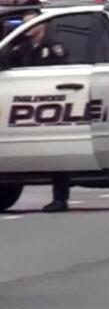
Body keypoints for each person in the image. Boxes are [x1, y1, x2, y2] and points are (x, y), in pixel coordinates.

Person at [11, 13, 73, 213]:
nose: (26, 27)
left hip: (51, 104)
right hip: (26, 106)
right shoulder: (23, 48)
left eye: (30, 23)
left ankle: (60, 198)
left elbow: (63, 73)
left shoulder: (54, 47)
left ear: (42, 24)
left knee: (56, 152)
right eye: (24, 23)